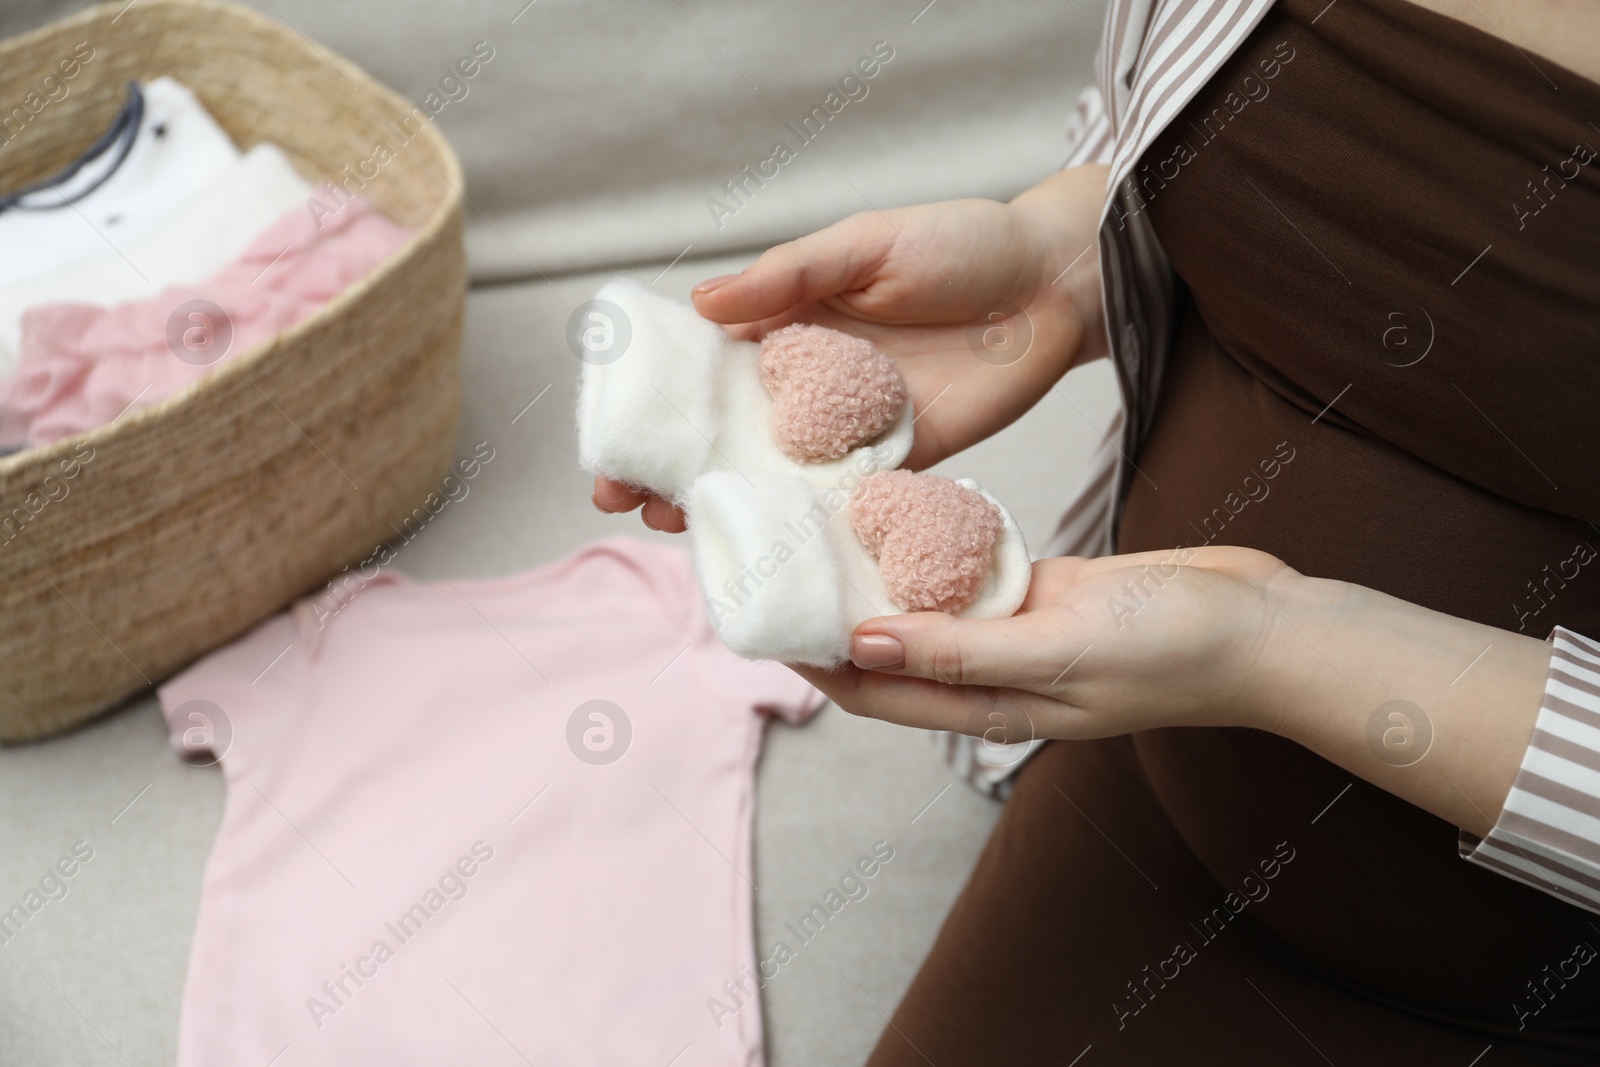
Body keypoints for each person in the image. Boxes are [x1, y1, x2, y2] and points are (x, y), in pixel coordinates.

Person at [595, 0, 1600, 1060]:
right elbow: (1228, 148)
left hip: (1529, 973)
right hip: (1143, 784)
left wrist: (1277, 643)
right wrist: (1058, 258)